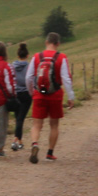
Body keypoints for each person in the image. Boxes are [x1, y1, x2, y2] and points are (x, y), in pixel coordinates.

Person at [24, 32, 74, 163]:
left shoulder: (37, 57)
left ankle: (35, 143)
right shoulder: (61, 57)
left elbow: (28, 77)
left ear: (46, 42)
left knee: (36, 125)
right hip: (55, 95)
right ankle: (50, 153)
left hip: (39, 94)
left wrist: (32, 92)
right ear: (58, 43)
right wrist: (71, 96)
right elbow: (66, 78)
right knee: (54, 125)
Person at [9, 42, 32, 149]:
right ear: (27, 55)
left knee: (18, 117)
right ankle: (15, 141)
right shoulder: (29, 66)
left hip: (15, 94)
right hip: (26, 94)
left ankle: (20, 141)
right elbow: (32, 79)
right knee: (20, 118)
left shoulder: (12, 66)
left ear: (17, 55)